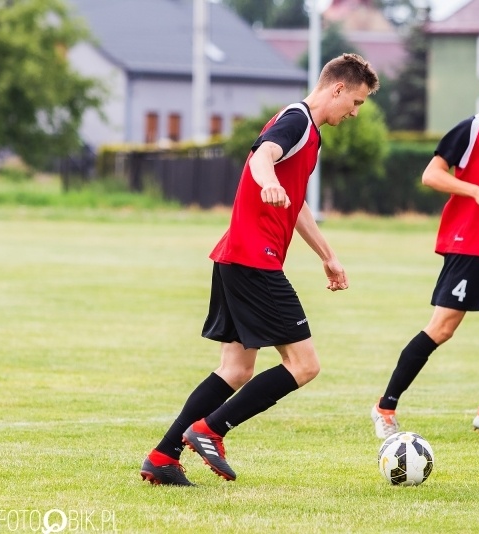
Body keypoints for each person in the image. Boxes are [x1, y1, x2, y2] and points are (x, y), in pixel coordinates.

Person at [140, 53, 380, 486]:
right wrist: (266, 178)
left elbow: (296, 200)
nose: (356, 112)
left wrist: (327, 254)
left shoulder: (308, 133)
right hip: (254, 261)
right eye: (357, 102)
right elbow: (262, 155)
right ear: (338, 88)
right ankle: (210, 430)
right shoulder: (298, 120)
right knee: (304, 365)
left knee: (235, 370)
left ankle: (163, 456)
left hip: (237, 258)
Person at [370, 56, 479, 441]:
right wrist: (474, 190)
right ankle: (385, 407)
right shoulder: (471, 129)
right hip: (468, 245)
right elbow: (431, 175)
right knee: (443, 328)